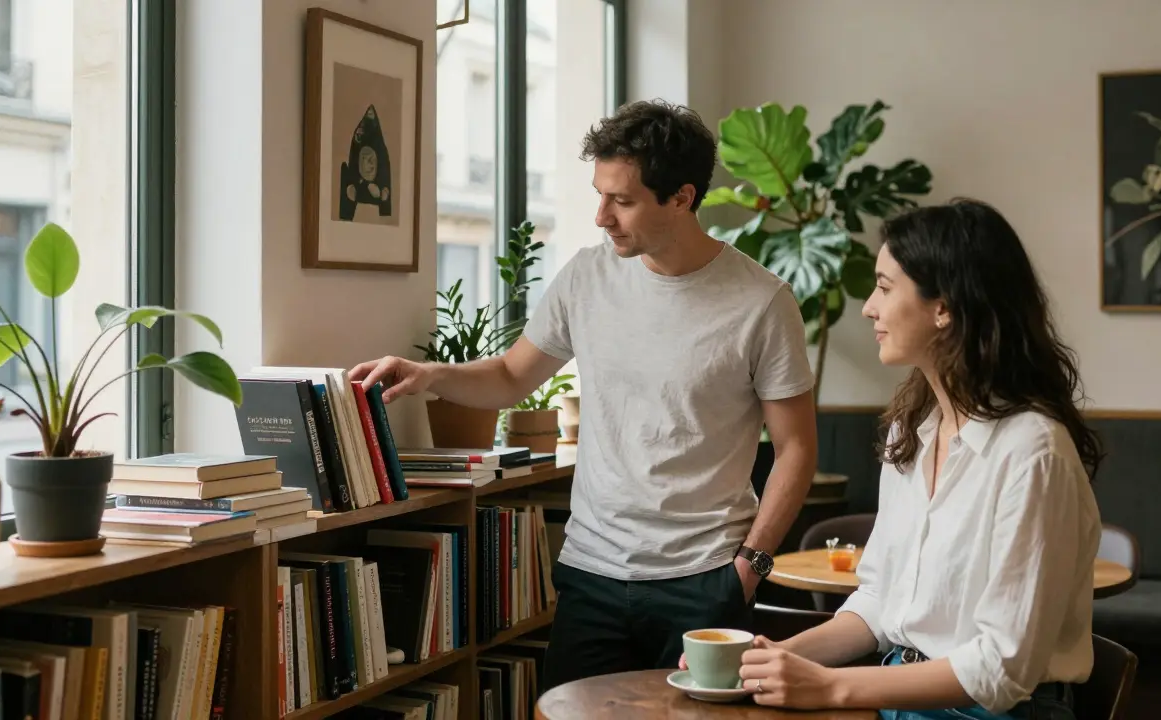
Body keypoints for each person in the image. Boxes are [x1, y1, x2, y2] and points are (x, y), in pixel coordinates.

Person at [350, 99, 818, 689]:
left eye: (621, 200)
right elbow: (513, 376)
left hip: (704, 578)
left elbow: (797, 448)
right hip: (591, 573)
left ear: (682, 197)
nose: (602, 216)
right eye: (599, 194)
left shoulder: (762, 302)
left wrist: (749, 567)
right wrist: (429, 375)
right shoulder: (585, 277)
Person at [727, 199, 1103, 719]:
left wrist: (832, 687)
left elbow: (1001, 669)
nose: (868, 307)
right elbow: (882, 600)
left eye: (884, 287)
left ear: (943, 308)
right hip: (896, 694)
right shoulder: (912, 431)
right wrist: (770, 660)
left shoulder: (1033, 452)